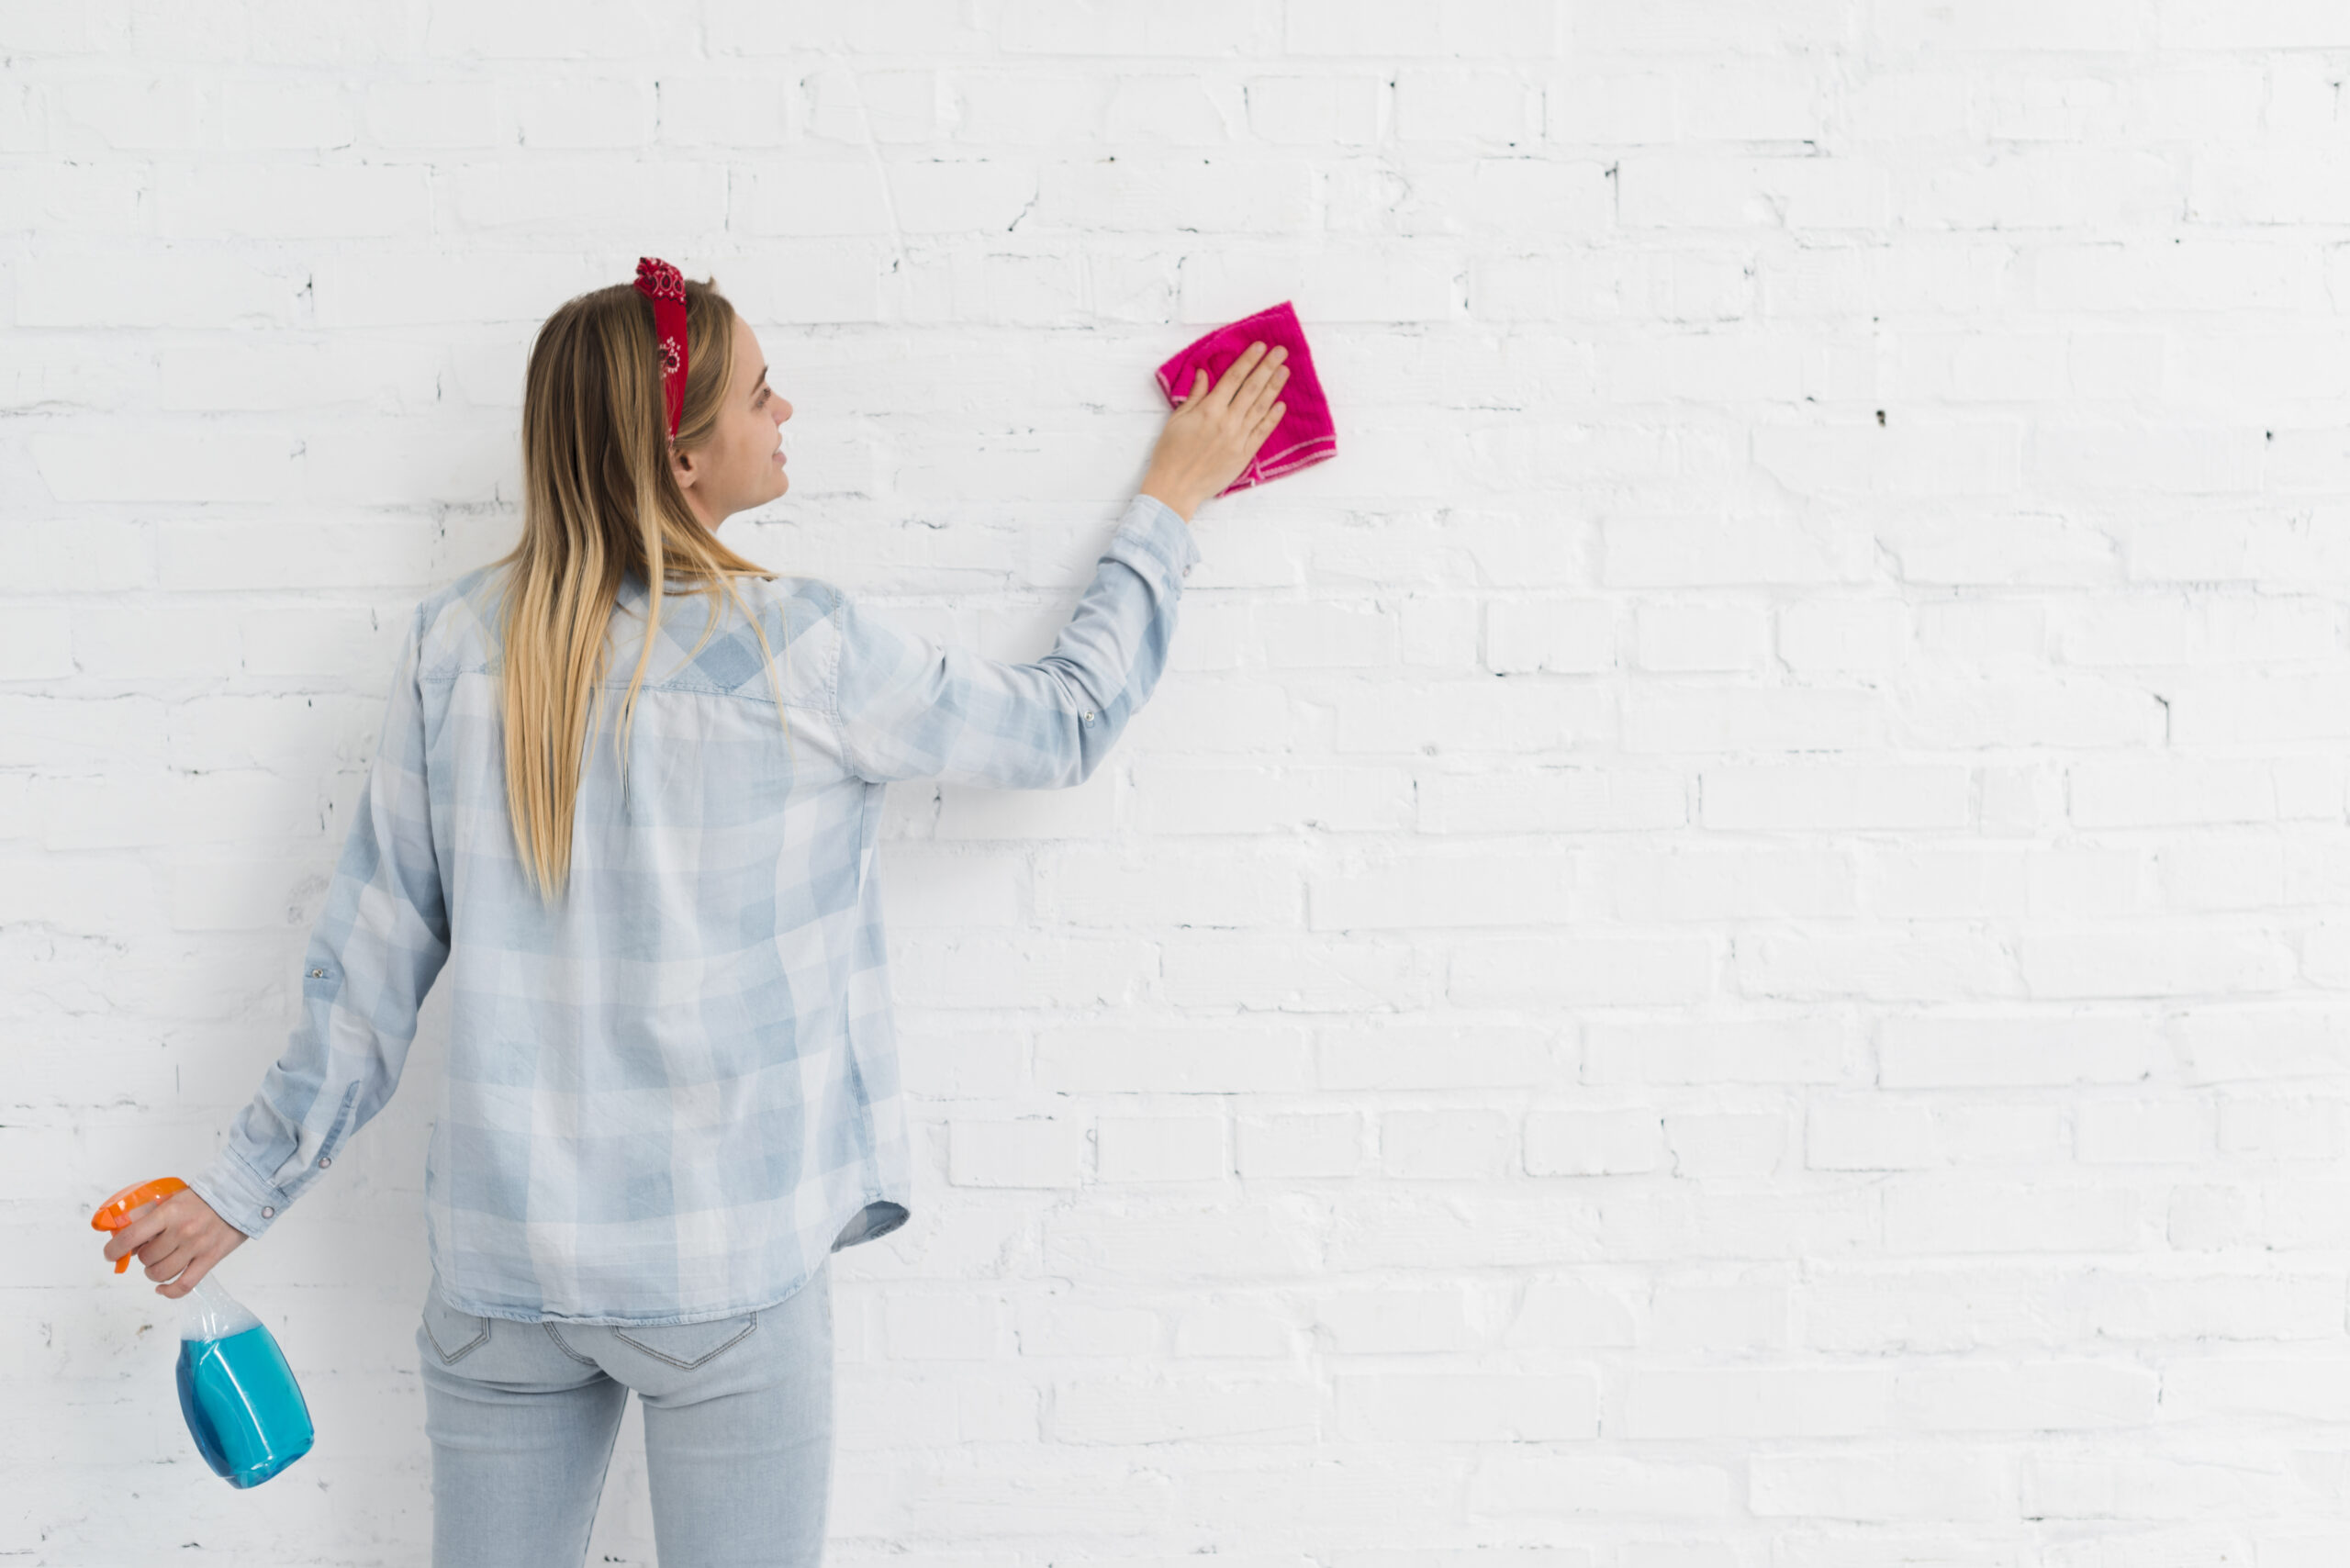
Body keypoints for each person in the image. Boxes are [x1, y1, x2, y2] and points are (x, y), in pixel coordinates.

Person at [95, 258, 1292, 1568]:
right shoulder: (804, 650)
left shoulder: (460, 649)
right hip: (721, 1275)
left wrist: (237, 1191)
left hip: (505, 1280)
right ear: (682, 461)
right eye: (762, 397)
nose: (788, 416)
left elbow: (369, 966)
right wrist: (1171, 499)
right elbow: (1061, 723)